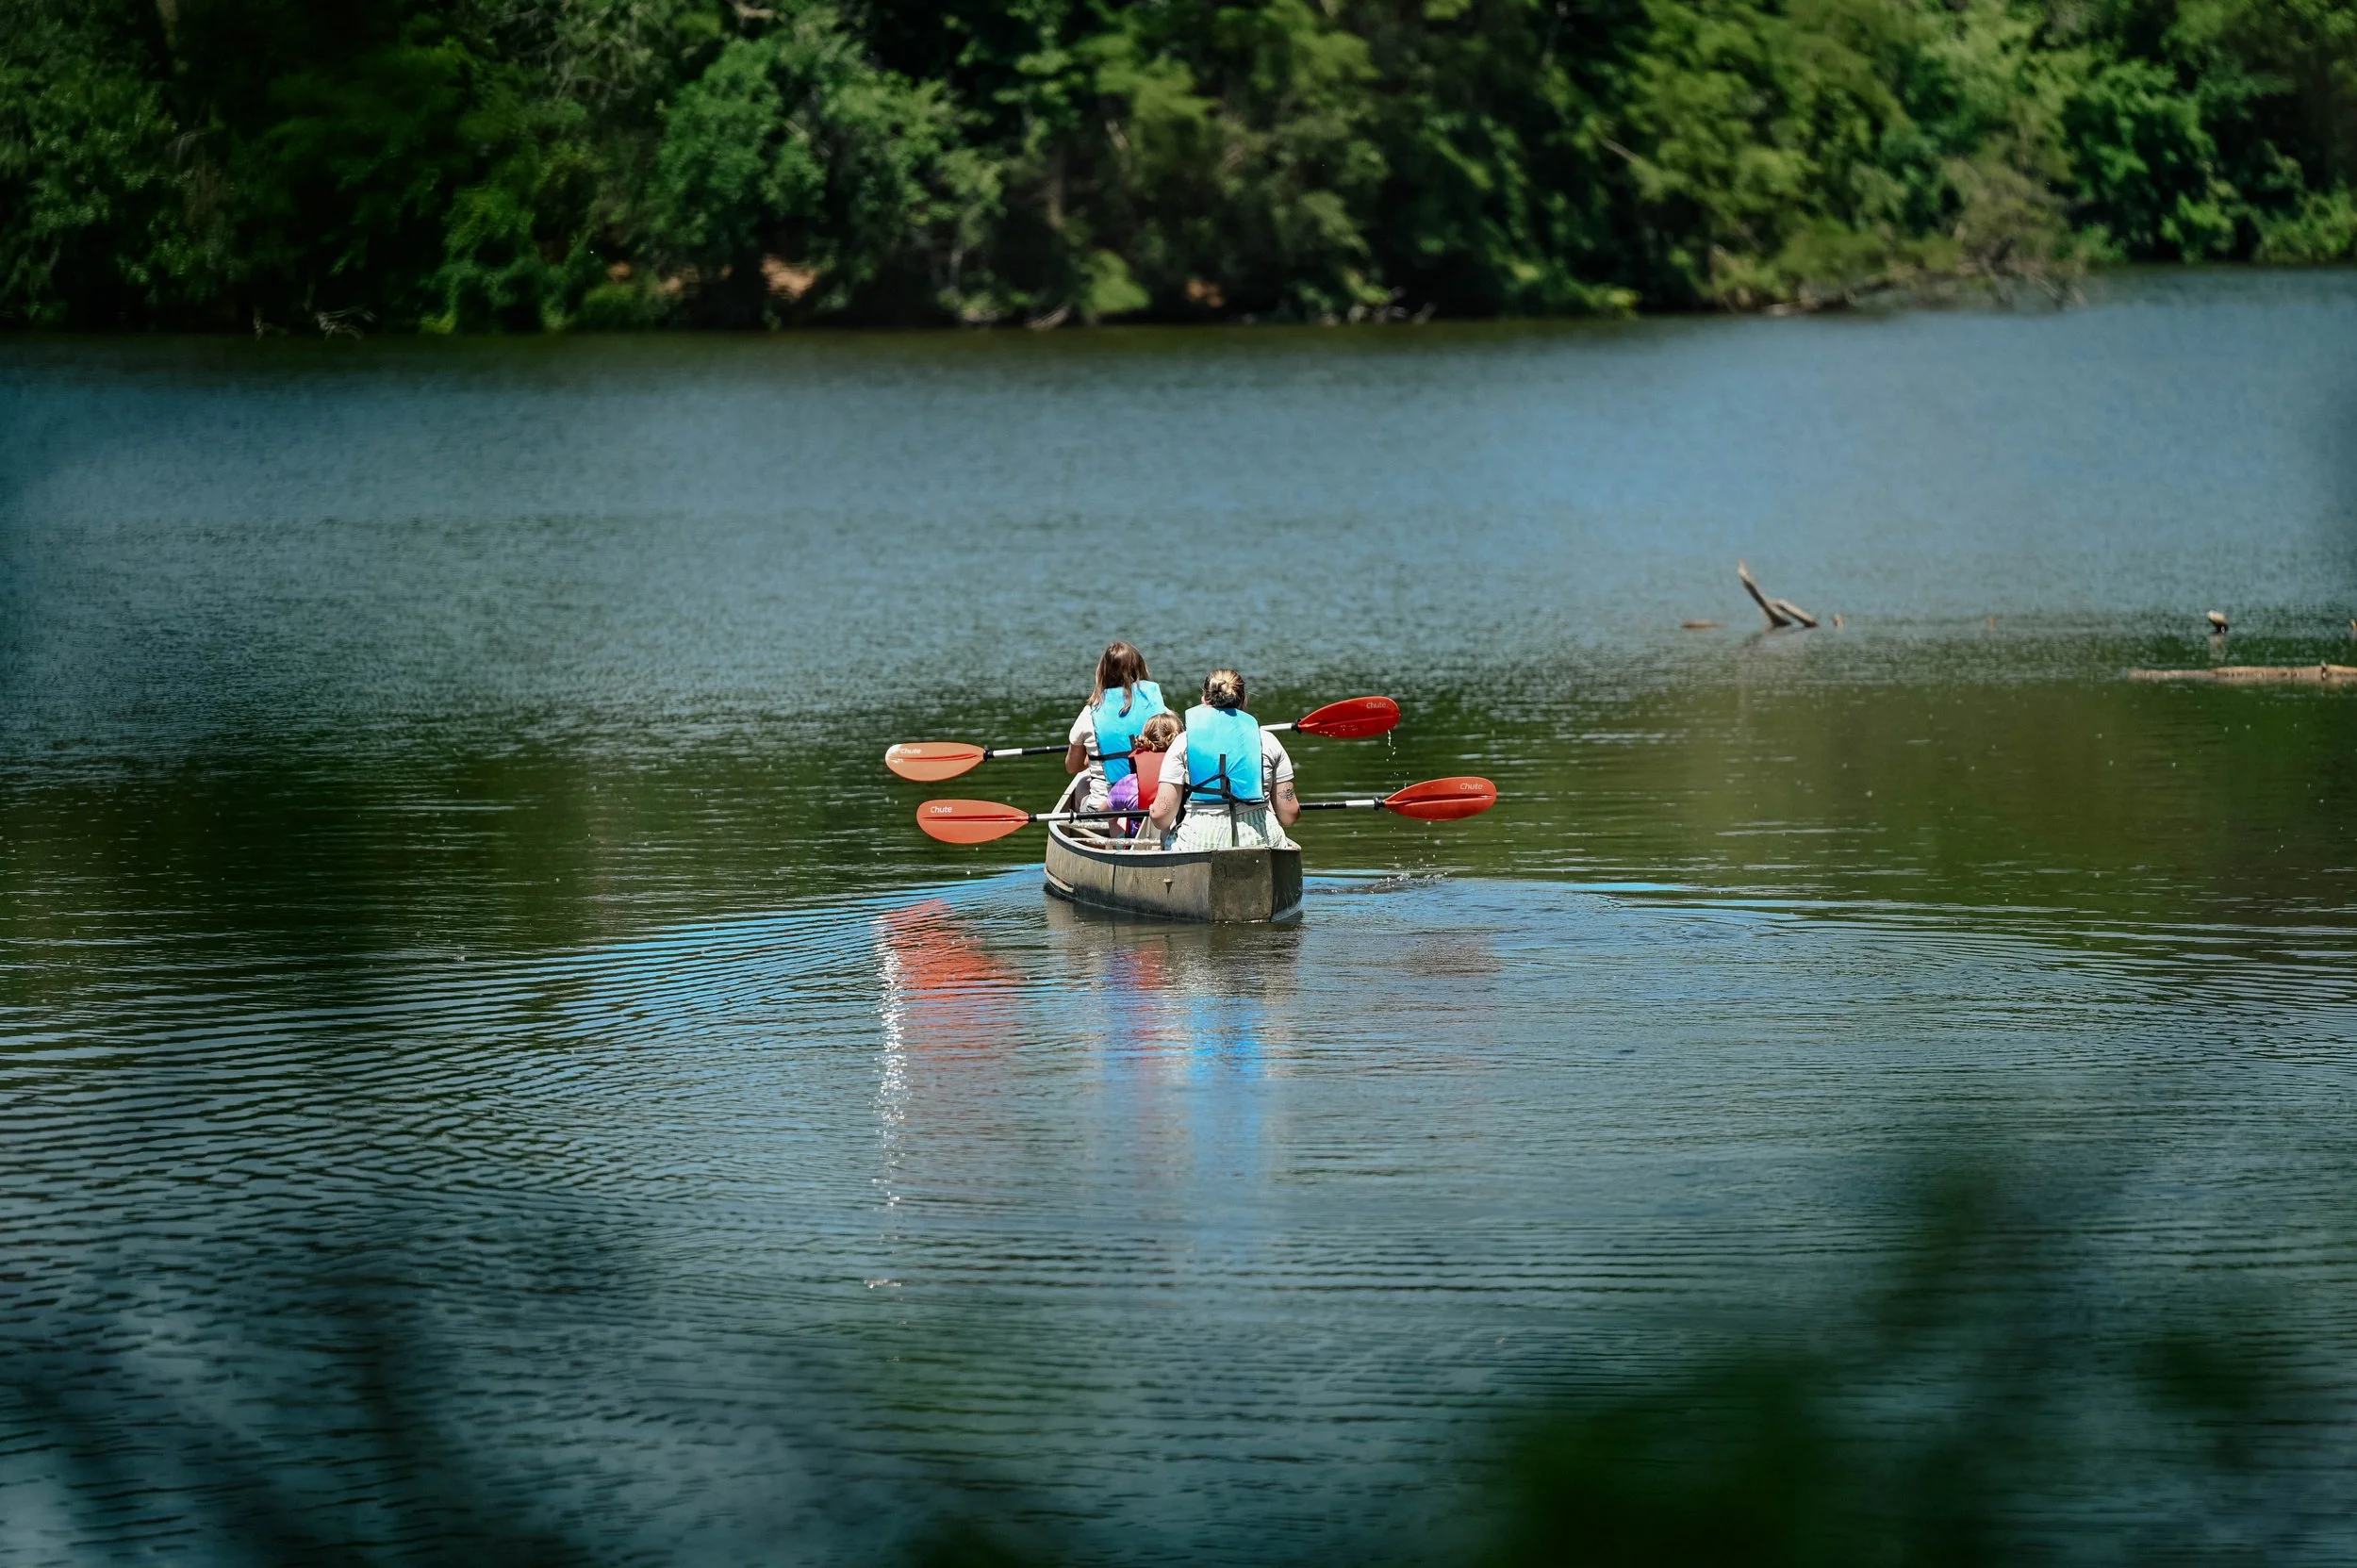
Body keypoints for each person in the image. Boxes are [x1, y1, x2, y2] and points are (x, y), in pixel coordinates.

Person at [1148, 668, 1301, 850]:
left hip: (1199, 841)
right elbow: (1289, 815)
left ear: (1204, 699)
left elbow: (1161, 816)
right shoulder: (1268, 741)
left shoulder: (1183, 743)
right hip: (1260, 840)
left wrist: (1154, 811)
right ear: (1244, 701)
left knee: (1167, 833)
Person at [1064, 641, 1167, 812]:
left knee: (1082, 784)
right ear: (1140, 669)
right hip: (1150, 807)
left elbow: (1072, 767)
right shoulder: (1160, 709)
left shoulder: (1089, 714)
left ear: (1102, 673)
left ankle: (1085, 831)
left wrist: (1092, 756)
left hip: (1105, 810)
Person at [1107, 712, 1182, 834]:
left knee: (1114, 817)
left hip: (1138, 844)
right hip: (1176, 839)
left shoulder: (1129, 782)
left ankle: (1116, 848)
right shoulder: (1188, 778)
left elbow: (1103, 811)